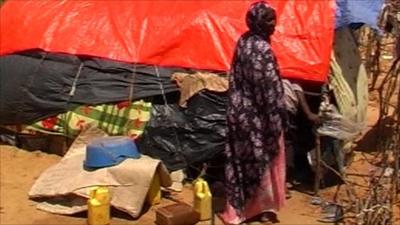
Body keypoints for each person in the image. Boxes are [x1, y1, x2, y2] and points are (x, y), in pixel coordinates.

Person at [221, 2, 286, 224]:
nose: (273, 24)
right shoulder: (262, 49)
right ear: (257, 21)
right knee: (262, 163)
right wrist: (275, 119)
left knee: (241, 162)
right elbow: (267, 90)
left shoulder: (244, 40)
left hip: (238, 113)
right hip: (258, 117)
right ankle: (260, 209)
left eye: (273, 18)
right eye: (268, 19)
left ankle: (240, 209)